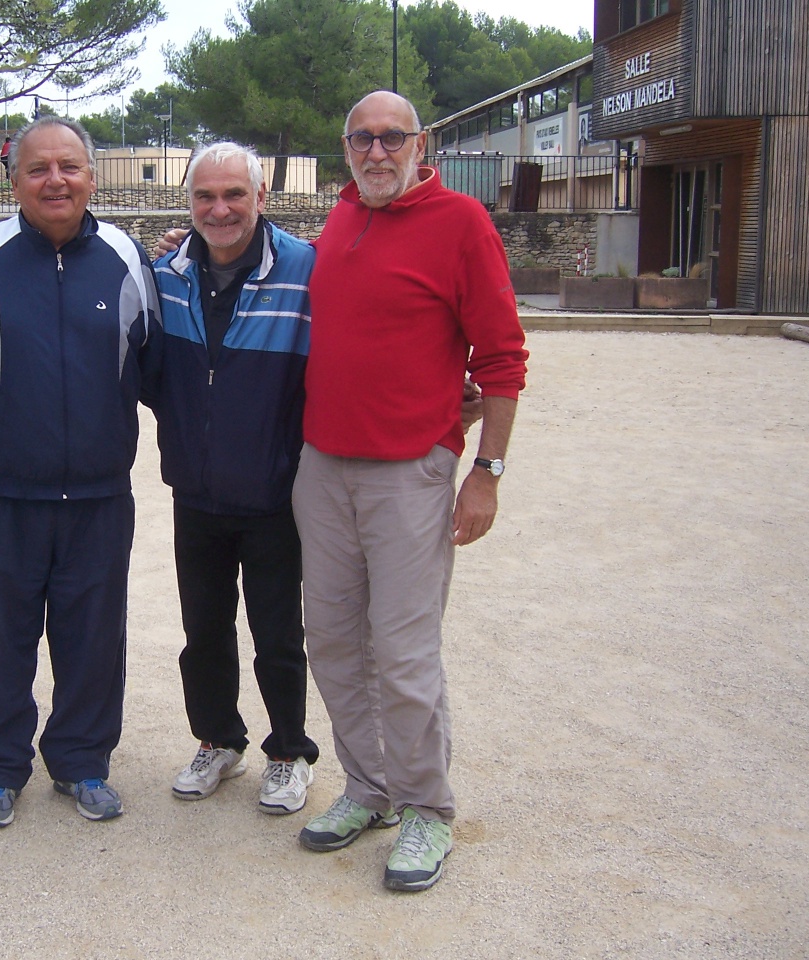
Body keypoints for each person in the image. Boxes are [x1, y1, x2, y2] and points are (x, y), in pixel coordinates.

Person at [293, 91, 528, 892]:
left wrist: (485, 472)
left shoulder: (461, 223)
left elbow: (500, 357)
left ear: (420, 144)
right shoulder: (341, 222)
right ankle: (370, 788)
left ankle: (427, 807)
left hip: (410, 476)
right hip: (323, 468)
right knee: (329, 639)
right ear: (346, 147)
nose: (377, 151)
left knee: (402, 652)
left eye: (393, 137)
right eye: (362, 138)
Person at [0, 116, 160, 828]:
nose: (56, 180)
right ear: (13, 180)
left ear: (91, 177)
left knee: (93, 639)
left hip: (101, 497)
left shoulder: (126, 259)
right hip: (2, 494)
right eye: (38, 169)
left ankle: (81, 762)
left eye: (70, 167)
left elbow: (167, 365)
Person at [150, 143, 319, 814]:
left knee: (278, 633)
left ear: (262, 197)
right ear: (188, 203)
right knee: (204, 630)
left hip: (275, 491)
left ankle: (288, 751)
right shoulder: (167, 271)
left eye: (234, 195)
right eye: (204, 197)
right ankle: (218, 738)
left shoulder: (307, 268)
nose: (219, 210)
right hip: (195, 489)